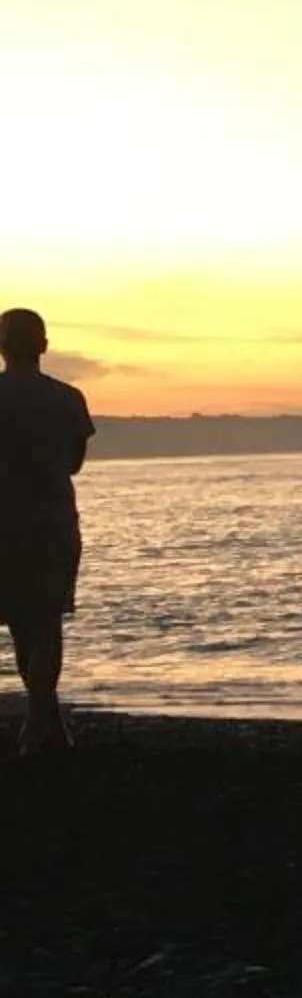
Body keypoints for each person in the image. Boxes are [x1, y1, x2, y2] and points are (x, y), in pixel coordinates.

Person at [0, 308, 94, 752]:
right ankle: (44, 718)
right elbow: (74, 463)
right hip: (53, 520)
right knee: (45, 619)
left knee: (21, 623)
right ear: (44, 345)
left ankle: (41, 720)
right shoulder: (68, 398)